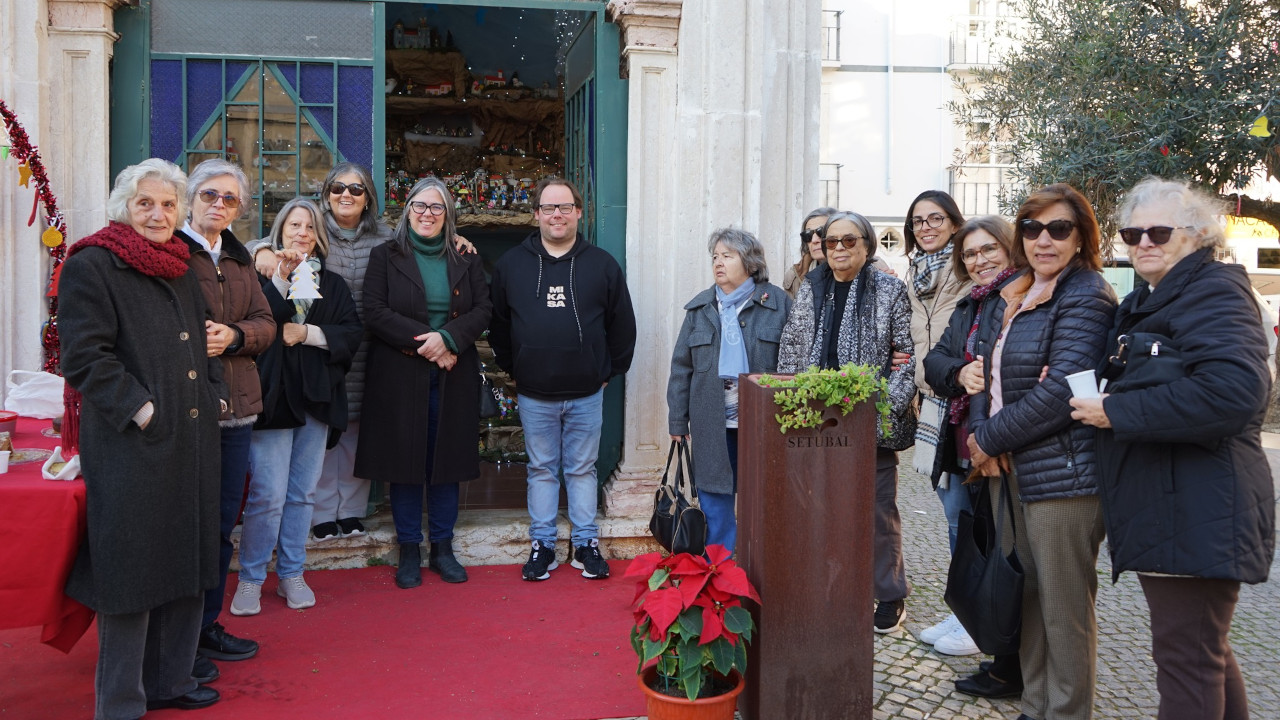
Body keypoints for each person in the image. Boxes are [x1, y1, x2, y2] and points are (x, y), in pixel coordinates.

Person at [1071, 177, 1274, 720]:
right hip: (1172, 503)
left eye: (1159, 231)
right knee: (1203, 653)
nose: (1143, 243)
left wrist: (1115, 411)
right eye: (1132, 233)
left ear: (1198, 235)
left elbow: (1234, 394)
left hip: (1197, 504)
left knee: (1186, 661)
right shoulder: (1151, 298)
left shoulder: (1211, 290)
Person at [59, 158, 226, 717]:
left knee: (186, 561)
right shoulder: (93, 264)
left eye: (167, 204)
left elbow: (200, 342)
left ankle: (171, 682)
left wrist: (212, 391)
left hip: (193, 437)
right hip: (134, 444)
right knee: (131, 575)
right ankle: (123, 701)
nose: (158, 214)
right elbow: (83, 356)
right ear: (123, 207)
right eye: (145, 203)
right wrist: (143, 410)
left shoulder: (180, 263)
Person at [966, 184, 1117, 720]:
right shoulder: (1016, 294)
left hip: (1066, 475)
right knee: (1028, 596)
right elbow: (985, 374)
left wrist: (987, 438)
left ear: (1082, 237)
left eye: (1059, 229)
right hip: (1014, 468)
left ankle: (1067, 711)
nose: (1044, 240)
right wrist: (982, 432)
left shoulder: (1087, 294)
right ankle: (1035, 704)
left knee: (1065, 606)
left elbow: (1059, 395)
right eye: (1032, 229)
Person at [489, 177, 637, 582]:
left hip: (587, 392)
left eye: (565, 207)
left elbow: (622, 324)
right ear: (536, 214)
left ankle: (585, 543)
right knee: (541, 469)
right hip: (535, 391)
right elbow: (498, 324)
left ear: (578, 213)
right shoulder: (512, 265)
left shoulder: (602, 264)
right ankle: (543, 546)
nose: (557, 214)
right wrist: (514, 367)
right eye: (549, 208)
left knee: (581, 469)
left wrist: (609, 371)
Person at [777, 210, 917, 633]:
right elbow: (792, 345)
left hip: (869, 418)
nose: (838, 248)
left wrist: (882, 408)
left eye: (848, 241)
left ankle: (890, 595)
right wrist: (790, 404)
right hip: (816, 420)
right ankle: (829, 586)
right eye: (830, 240)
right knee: (818, 508)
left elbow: (906, 356)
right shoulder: (811, 288)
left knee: (877, 511)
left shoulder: (889, 290)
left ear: (867, 245)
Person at [355, 177, 492, 588]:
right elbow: (375, 312)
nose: (427, 214)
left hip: (453, 376)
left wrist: (449, 338)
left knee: (445, 463)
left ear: (448, 214)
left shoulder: (466, 257)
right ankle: (409, 550)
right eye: (419, 206)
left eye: (436, 207)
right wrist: (432, 344)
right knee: (406, 464)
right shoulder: (385, 255)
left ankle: (443, 549)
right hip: (400, 375)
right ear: (407, 210)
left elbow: (484, 309)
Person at [231, 198, 362, 616]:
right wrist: (282, 278)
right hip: (272, 399)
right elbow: (260, 322)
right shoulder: (258, 276)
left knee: (303, 494)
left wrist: (306, 333)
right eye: (294, 226)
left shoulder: (335, 285)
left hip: (316, 399)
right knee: (267, 494)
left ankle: (291, 572)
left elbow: (350, 335)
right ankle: (251, 578)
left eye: (309, 227)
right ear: (279, 232)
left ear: (318, 236)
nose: (301, 233)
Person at [174, 159, 276, 682]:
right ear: (190, 197)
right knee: (186, 527)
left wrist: (235, 337)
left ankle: (208, 624)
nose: (219, 205)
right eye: (210, 195)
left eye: (230, 199)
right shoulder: (170, 252)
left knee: (219, 527)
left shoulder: (238, 261)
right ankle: (178, 640)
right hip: (186, 412)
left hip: (236, 412)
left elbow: (266, 323)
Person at [923, 215, 1024, 696]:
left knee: (1006, 556)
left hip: (1003, 450)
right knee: (970, 544)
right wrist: (960, 372)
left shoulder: (1021, 297)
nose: (979, 260)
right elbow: (935, 360)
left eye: (988, 250)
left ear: (1009, 248)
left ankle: (1007, 659)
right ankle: (979, 629)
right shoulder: (970, 304)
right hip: (961, 445)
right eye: (969, 254)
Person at [667, 228, 793, 555]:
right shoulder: (700, 309)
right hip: (712, 425)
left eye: (727, 256)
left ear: (750, 263)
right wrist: (678, 424)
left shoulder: (778, 304)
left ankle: (760, 576)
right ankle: (719, 579)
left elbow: (796, 364)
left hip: (765, 426)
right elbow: (682, 368)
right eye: (715, 257)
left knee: (763, 502)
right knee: (715, 500)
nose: (718, 263)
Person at [902, 191, 975, 654]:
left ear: (953, 222)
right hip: (930, 403)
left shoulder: (967, 269)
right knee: (951, 506)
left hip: (964, 403)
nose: (926, 227)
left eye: (936, 219)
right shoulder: (914, 275)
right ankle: (964, 607)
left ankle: (973, 615)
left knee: (963, 514)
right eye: (918, 221)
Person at [782, 207, 836, 298]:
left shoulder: (860, 272)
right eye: (808, 235)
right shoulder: (794, 276)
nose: (814, 240)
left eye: (821, 232)